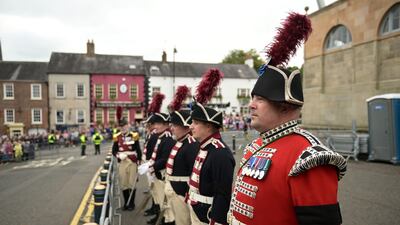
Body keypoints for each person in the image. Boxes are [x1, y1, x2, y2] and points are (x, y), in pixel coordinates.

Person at [227, 12, 347, 225]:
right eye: (253, 97)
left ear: (284, 106)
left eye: (261, 99)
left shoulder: (308, 156)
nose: (251, 104)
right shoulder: (258, 144)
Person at [187, 68, 235, 225]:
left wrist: (217, 220)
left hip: (208, 216)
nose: (191, 127)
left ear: (209, 126)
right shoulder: (204, 146)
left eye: (195, 123)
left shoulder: (220, 152)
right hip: (196, 208)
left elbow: (223, 194)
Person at [163, 86, 200, 225]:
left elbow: (193, 174)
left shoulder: (191, 145)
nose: (171, 128)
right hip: (173, 189)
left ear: (185, 127)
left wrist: (186, 194)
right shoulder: (179, 142)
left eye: (175, 125)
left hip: (182, 193)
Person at [144, 93, 176, 225]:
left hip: (163, 175)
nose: (153, 126)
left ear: (164, 124)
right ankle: (160, 218)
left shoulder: (167, 139)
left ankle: (164, 220)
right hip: (157, 173)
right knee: (159, 200)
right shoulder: (160, 137)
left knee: (166, 205)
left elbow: (164, 159)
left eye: (156, 124)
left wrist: (152, 167)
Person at [112, 115, 142, 211]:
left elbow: (138, 150)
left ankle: (131, 203)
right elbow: (114, 150)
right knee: (124, 183)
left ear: (128, 126)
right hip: (122, 161)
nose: (122, 128)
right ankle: (126, 203)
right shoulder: (116, 137)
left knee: (131, 183)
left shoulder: (134, 135)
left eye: (124, 126)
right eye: (121, 126)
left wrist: (139, 161)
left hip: (132, 161)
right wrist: (118, 156)